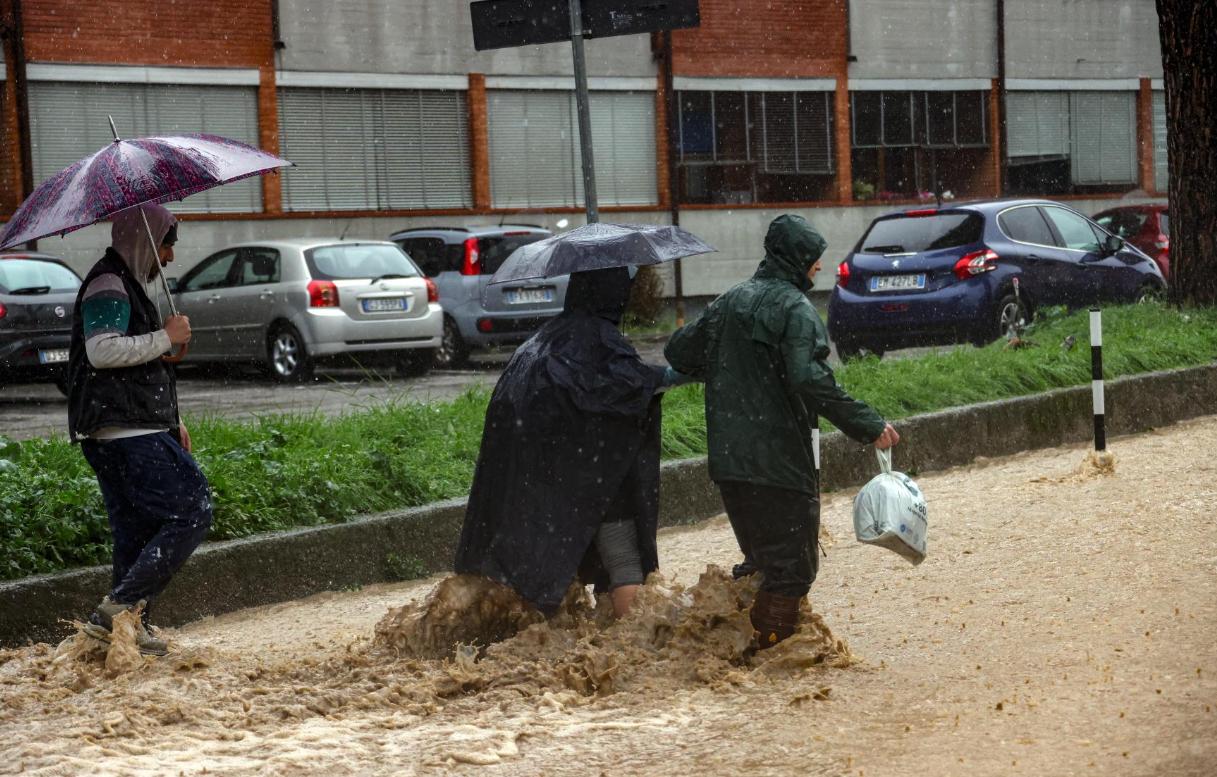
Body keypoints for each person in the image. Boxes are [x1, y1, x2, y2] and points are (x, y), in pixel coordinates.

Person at [664, 214, 899, 649]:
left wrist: (726, 365)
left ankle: (727, 645)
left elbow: (679, 351)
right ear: (797, 259)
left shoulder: (728, 301)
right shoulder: (795, 309)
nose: (819, 268)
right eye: (814, 259)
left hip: (730, 461)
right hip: (781, 461)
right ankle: (771, 661)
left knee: (761, 561)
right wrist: (867, 425)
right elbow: (810, 379)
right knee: (793, 569)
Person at [455, 266, 681, 618]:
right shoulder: (602, 343)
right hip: (598, 477)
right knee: (623, 563)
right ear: (615, 295)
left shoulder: (542, 339)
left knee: (542, 571)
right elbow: (620, 390)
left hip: (541, 485)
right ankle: (638, 651)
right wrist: (667, 376)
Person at [67, 204, 210, 656]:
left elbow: (137, 366)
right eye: (166, 244)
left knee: (136, 532)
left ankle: (125, 631)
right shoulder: (109, 283)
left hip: (126, 430)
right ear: (145, 240)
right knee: (192, 509)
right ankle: (122, 608)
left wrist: (172, 420)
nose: (168, 258)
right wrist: (166, 337)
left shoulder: (124, 283)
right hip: (126, 435)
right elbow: (102, 352)